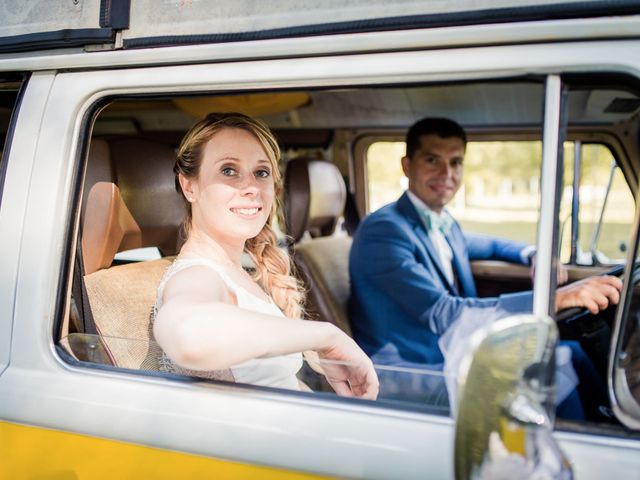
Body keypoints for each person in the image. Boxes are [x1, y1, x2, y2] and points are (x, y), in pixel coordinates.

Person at [349, 117, 621, 415]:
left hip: (450, 349)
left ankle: (608, 423)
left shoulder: (443, 223)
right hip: (411, 371)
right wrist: (555, 299)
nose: (447, 173)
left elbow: (492, 245)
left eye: (456, 162)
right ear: (406, 165)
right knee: (547, 375)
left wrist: (533, 254)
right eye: (432, 160)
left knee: (573, 353)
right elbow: (444, 313)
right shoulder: (383, 231)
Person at [152, 112, 378, 400]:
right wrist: (326, 336)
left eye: (261, 172)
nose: (251, 188)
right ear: (189, 186)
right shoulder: (196, 275)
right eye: (229, 171)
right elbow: (188, 335)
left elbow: (280, 383)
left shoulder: (237, 274)